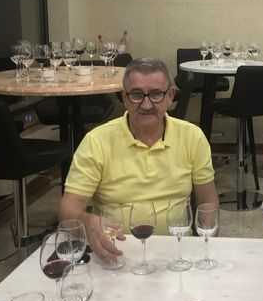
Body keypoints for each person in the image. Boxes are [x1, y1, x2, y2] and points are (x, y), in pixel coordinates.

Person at [59, 57, 219, 261]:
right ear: (124, 97)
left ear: (170, 96)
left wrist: (207, 246)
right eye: (136, 95)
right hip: (116, 253)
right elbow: (68, 209)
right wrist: (86, 220)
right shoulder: (96, 141)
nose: (146, 104)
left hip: (177, 253)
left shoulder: (192, 137)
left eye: (156, 94)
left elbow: (207, 200)